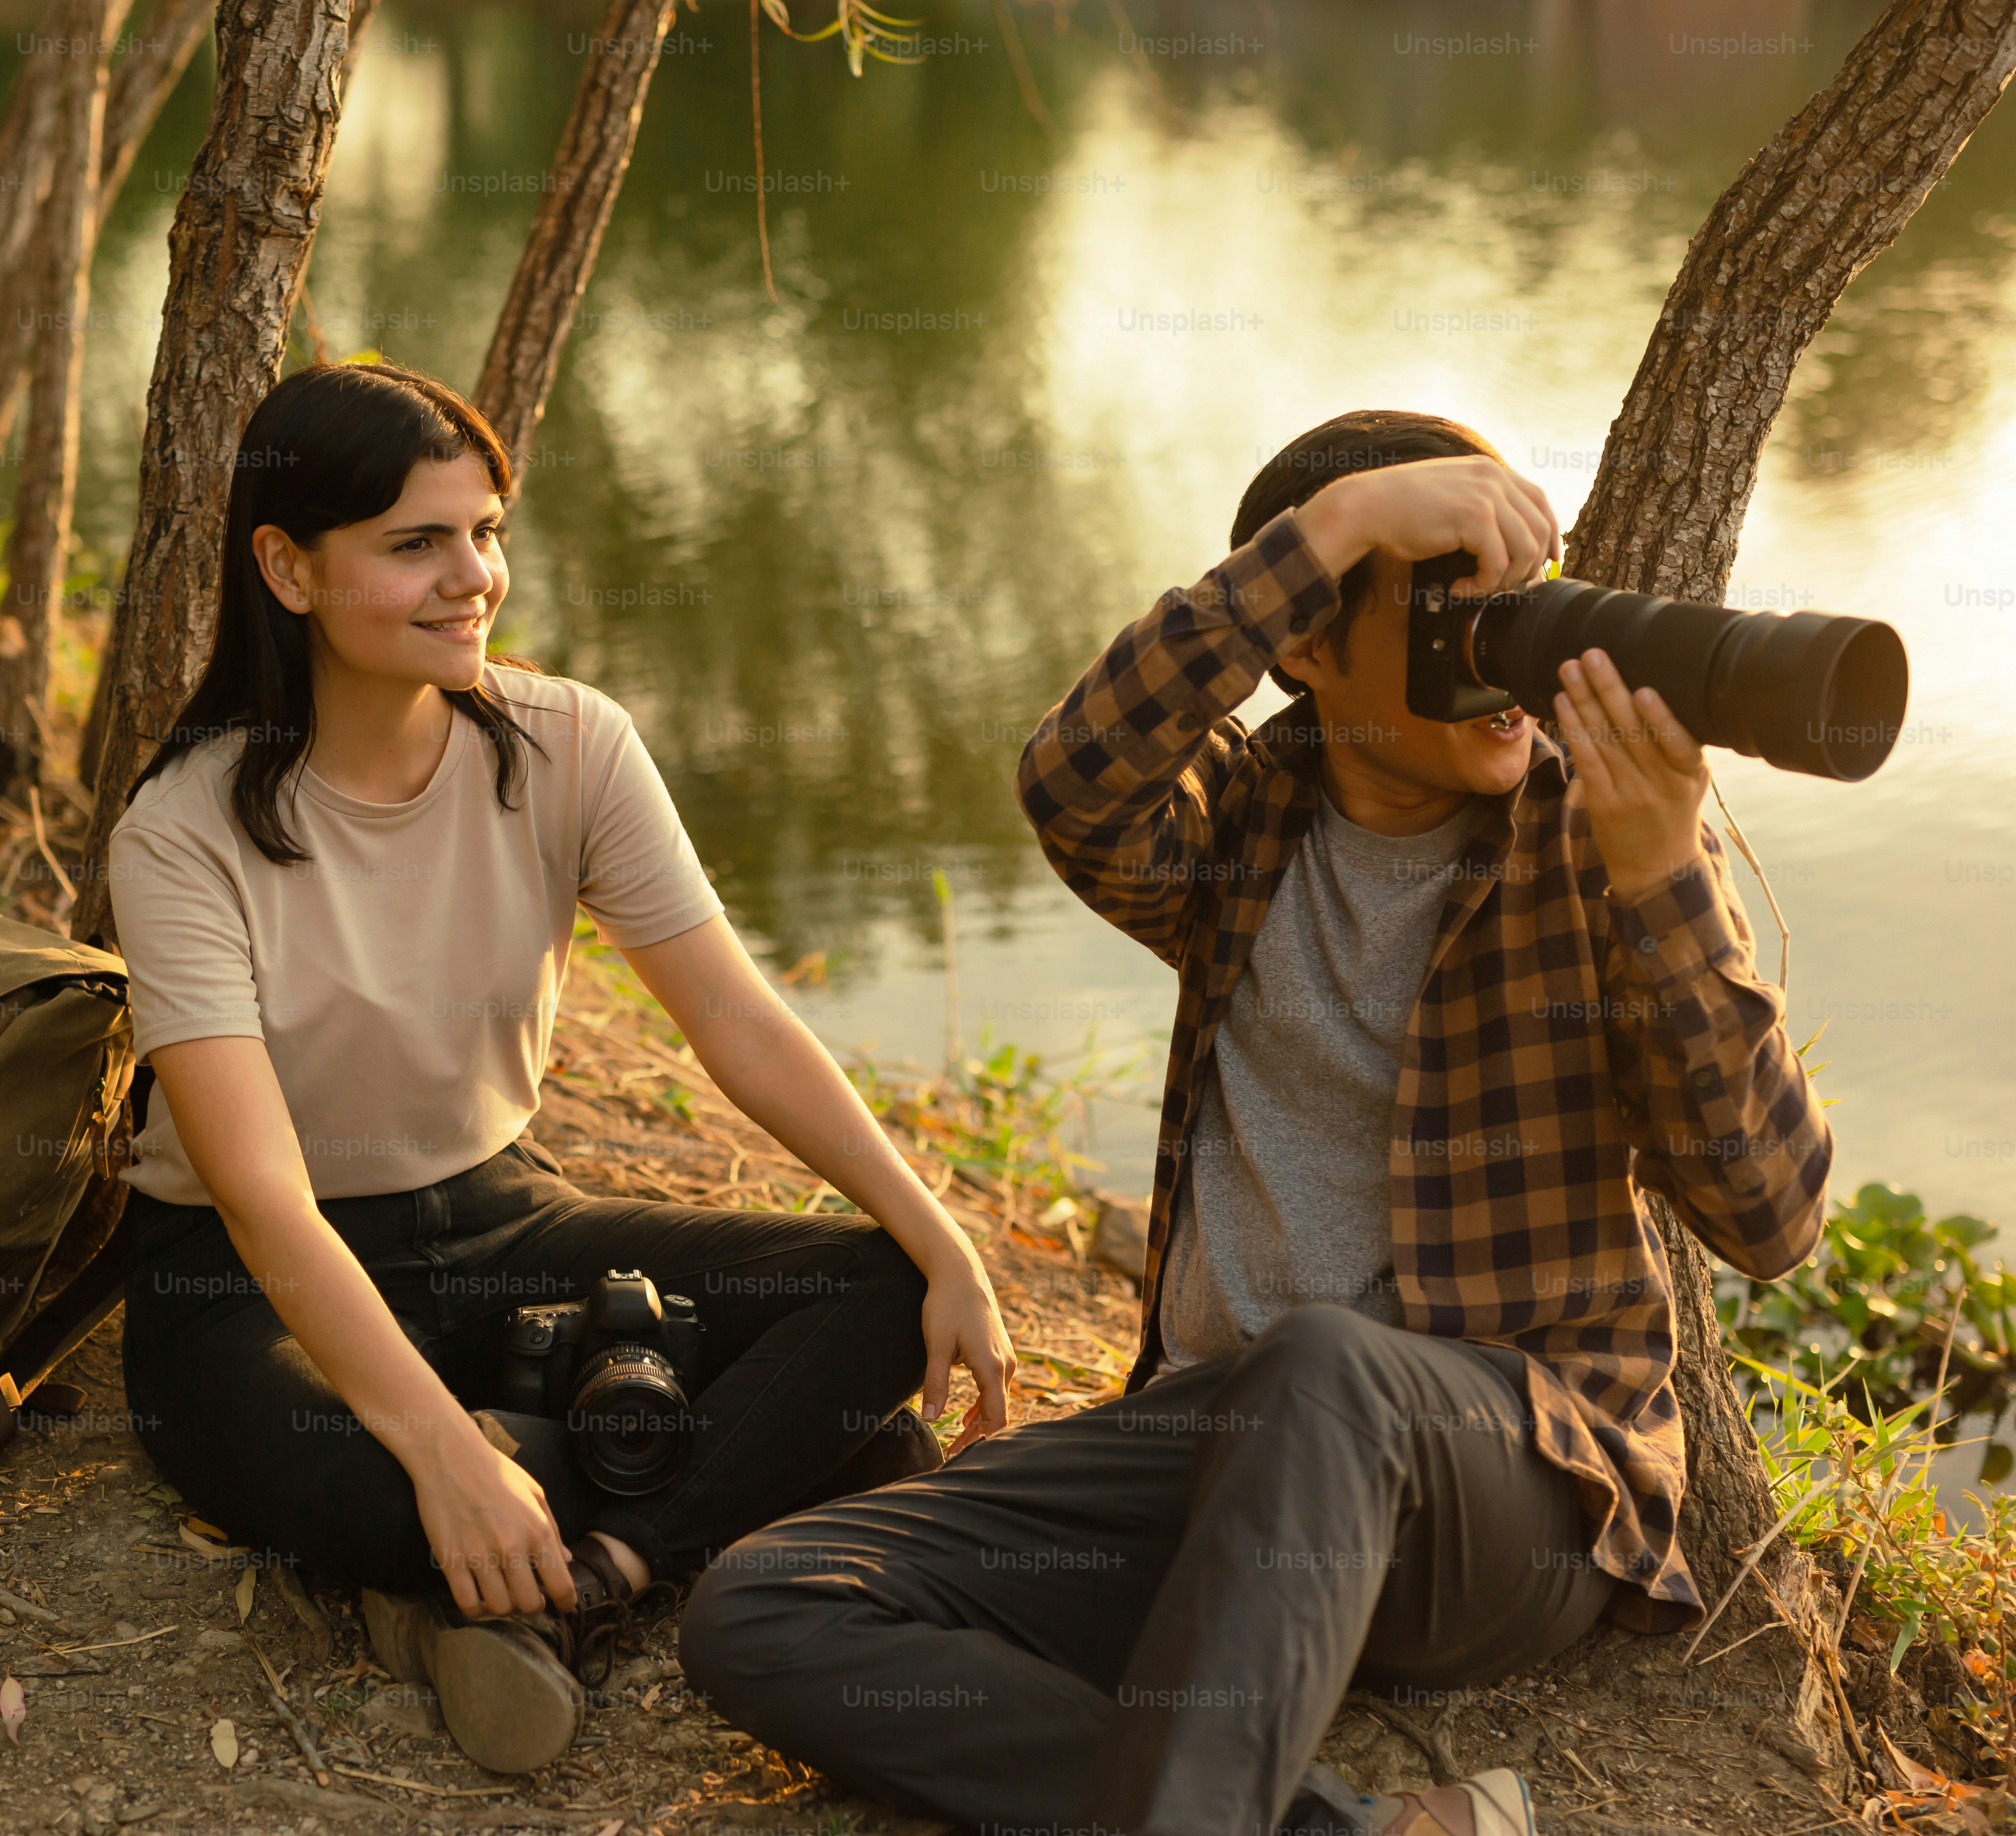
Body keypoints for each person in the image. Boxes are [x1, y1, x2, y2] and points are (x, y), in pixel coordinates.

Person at [679, 411, 1832, 1836]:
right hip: (1219, 1458)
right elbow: (1073, 776)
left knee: (1328, 1371)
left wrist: (1665, 872)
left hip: (1509, 1489)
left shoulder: (1596, 842)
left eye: (1519, 609)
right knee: (766, 1604)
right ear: (1307, 645)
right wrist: (1344, 527)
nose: (1504, 663)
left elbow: (1772, 1215)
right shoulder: (1239, 818)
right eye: (1449, 614)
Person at [103, 360, 1015, 1775]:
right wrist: (447, 1459)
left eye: (486, 531)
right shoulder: (183, 832)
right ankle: (598, 1504)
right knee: (376, 1473)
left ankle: (586, 1572)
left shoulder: (569, 744)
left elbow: (739, 1024)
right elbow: (266, 1202)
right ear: (287, 568)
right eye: (415, 543)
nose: (474, 576)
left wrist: (943, 1239)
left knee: (883, 1291)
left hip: (497, 1224)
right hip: (238, 1289)